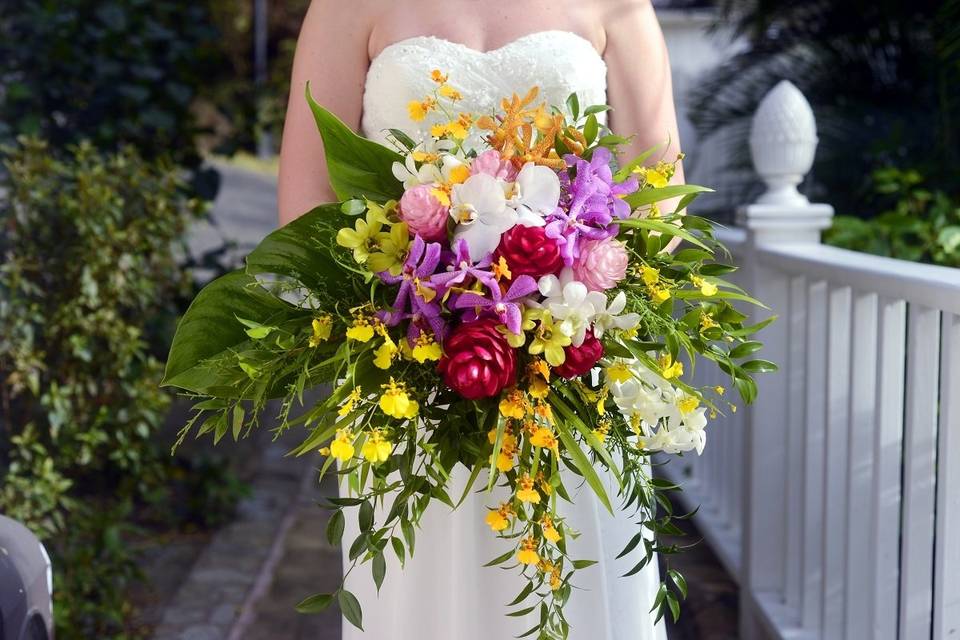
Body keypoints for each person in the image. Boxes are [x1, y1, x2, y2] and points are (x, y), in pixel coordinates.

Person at [278, 2, 682, 638]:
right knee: (419, 598)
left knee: (570, 585)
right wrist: (425, 305)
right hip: (407, 381)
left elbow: (663, 199)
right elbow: (304, 205)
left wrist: (558, 288)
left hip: (566, 374)